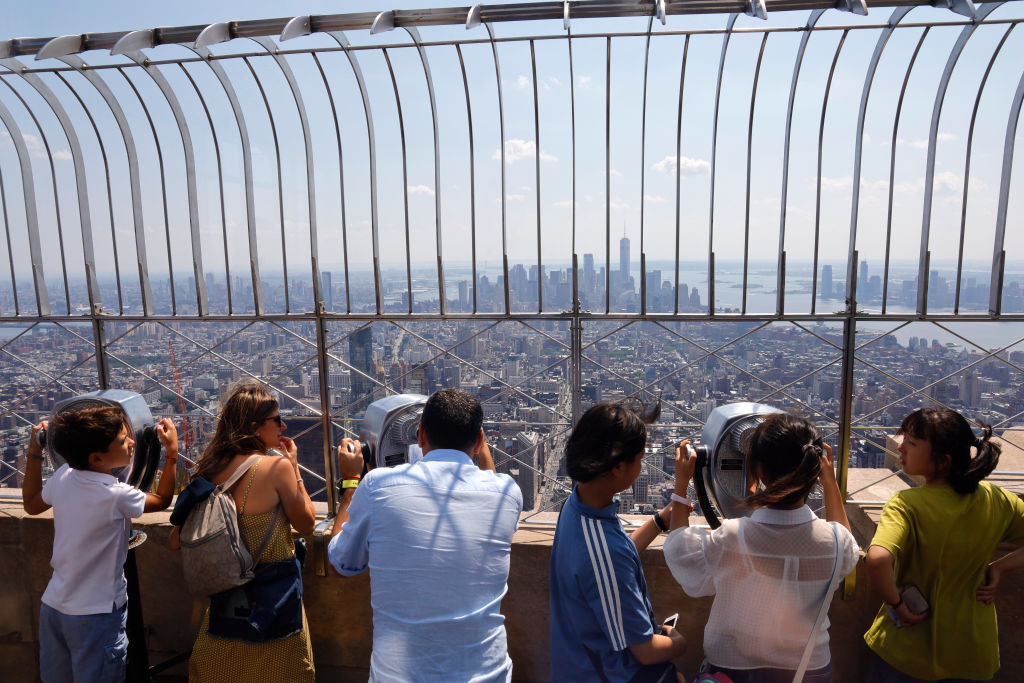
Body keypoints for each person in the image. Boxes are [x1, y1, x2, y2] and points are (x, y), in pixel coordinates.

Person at [328, 388, 523, 682]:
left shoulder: (378, 486)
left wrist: (351, 482)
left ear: (420, 434)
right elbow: (491, 482)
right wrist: (480, 449)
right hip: (488, 674)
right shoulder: (508, 493)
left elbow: (342, 563)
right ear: (480, 440)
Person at [664, 412, 859, 683]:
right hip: (809, 671)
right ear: (816, 468)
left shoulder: (734, 537)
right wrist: (830, 483)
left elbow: (680, 553)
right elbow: (844, 541)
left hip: (733, 670)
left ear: (759, 470)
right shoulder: (836, 544)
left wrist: (681, 484)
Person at [863, 407, 1024, 681]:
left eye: (912, 443)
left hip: (906, 649)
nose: (901, 448)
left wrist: (898, 603)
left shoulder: (907, 504)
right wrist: (1000, 567)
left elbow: (877, 559)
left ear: (943, 461)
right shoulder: (997, 499)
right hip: (972, 651)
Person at [21, 406, 179, 683]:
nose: (132, 442)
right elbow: (164, 499)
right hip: (96, 614)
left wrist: (34, 452)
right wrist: (172, 454)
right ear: (96, 458)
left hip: (54, 607)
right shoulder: (116, 494)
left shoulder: (64, 476)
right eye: (122, 440)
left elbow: (32, 504)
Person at [172, 381, 316, 682]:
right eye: (276, 419)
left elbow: (176, 539)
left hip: (226, 604)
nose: (284, 425)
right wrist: (295, 467)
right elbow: (306, 523)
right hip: (275, 601)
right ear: (254, 426)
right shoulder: (276, 468)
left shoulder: (208, 470)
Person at [549, 400, 687, 683]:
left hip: (578, 665)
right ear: (618, 467)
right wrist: (680, 643)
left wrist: (660, 521)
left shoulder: (576, 506)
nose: (641, 465)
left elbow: (611, 563)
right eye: (640, 459)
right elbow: (646, 652)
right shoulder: (602, 551)